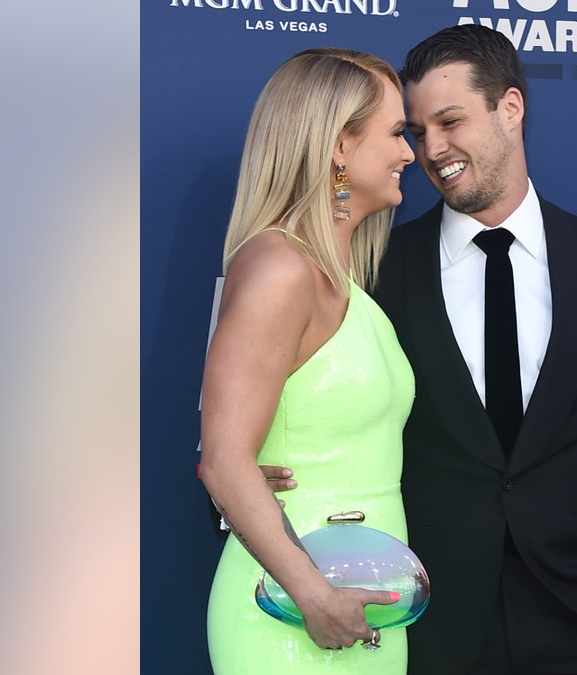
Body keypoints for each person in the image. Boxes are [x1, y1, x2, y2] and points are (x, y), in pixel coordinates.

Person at [267, 24, 577, 674]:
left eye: (450, 120)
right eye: (416, 130)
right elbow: (309, 400)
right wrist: (254, 467)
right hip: (429, 620)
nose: (433, 149)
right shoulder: (377, 267)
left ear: (512, 109)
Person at [199, 47, 416, 675]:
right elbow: (223, 461)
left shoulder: (345, 280)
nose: (410, 154)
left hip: (361, 611)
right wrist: (314, 595)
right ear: (338, 147)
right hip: (291, 612)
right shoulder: (279, 268)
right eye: (396, 133)